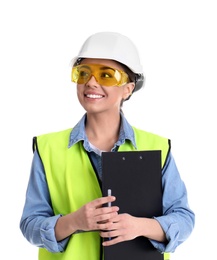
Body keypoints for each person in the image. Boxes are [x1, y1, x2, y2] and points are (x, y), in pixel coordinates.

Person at [20, 31, 195, 260]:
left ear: (128, 88)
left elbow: (183, 218)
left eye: (106, 75)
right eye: (83, 73)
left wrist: (139, 227)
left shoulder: (157, 148)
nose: (91, 82)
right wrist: (74, 222)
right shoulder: (48, 148)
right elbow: (30, 224)